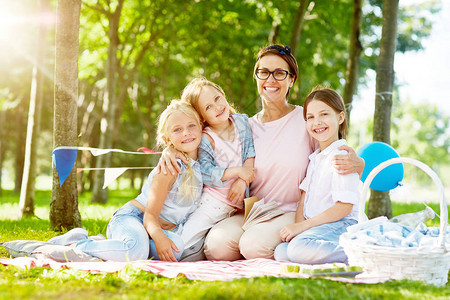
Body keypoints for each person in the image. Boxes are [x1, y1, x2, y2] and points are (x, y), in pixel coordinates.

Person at [157, 44, 364, 261]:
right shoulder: (243, 126)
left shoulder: (306, 119)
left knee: (253, 246)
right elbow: (194, 136)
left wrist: (359, 163)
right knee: (217, 245)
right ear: (256, 77)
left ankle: (286, 250)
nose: (270, 79)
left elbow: (331, 152)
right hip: (252, 210)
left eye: (280, 73)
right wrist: (170, 150)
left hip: (291, 211)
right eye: (264, 72)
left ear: (291, 79)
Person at [49, 100, 203, 262]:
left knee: (175, 250)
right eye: (177, 129)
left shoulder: (200, 165)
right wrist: (159, 238)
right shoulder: (170, 168)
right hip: (134, 218)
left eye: (191, 126)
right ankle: (76, 244)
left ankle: (109, 245)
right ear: (168, 138)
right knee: (135, 252)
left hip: (151, 230)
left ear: (201, 126)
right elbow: (150, 216)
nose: (186, 133)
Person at [274, 87, 363, 264]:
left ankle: (363, 254)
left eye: (324, 114)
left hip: (343, 224)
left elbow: (344, 206)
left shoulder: (341, 156)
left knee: (298, 249)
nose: (317, 122)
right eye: (310, 117)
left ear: (340, 117)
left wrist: (303, 226)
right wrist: (298, 229)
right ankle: (334, 256)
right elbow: (304, 198)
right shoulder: (315, 158)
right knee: (282, 251)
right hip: (321, 227)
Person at [178, 77, 256, 251]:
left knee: (200, 249)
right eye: (208, 107)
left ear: (223, 94)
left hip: (237, 206)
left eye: (217, 98)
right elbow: (205, 172)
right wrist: (236, 171)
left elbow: (250, 152)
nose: (217, 107)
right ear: (201, 117)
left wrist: (243, 180)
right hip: (214, 202)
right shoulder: (207, 138)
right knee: (183, 243)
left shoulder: (241, 122)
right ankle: (139, 249)